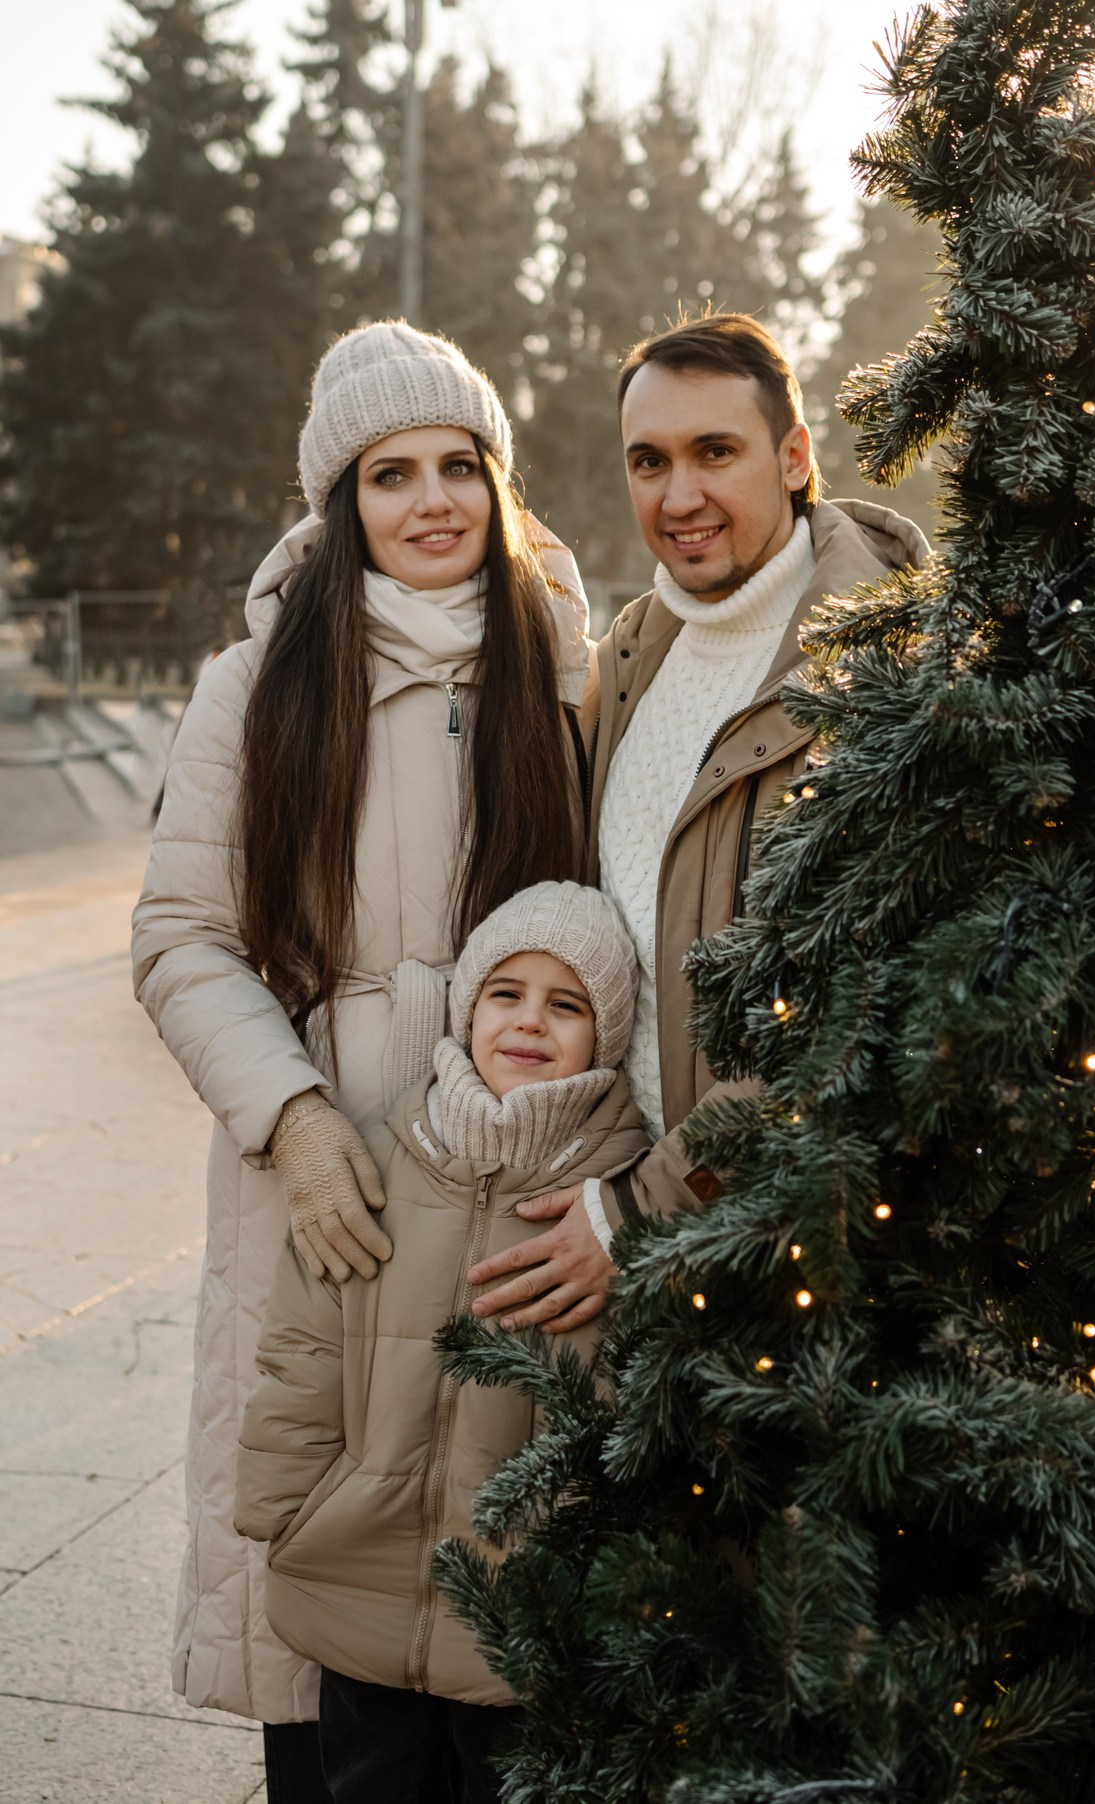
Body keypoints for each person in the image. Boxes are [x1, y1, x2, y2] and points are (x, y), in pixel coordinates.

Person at [131, 321, 590, 1801]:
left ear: (499, 482)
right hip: (330, 1176)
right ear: (341, 503)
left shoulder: (567, 664)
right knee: (328, 1577)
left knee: (504, 1572)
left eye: (460, 465)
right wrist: (294, 1117)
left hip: (518, 1168)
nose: (432, 500)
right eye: (391, 474)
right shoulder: (256, 683)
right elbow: (183, 938)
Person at [465, 310, 931, 1328]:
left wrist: (649, 1207)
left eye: (714, 452)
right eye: (650, 461)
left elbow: (852, 1012)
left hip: (800, 1260)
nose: (678, 497)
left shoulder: (880, 670)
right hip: (633, 1249)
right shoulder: (636, 651)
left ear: (794, 456)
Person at [233, 882, 647, 1803]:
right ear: (467, 1010)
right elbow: (303, 1351)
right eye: (505, 993)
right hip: (358, 1578)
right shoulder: (385, 1156)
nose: (529, 1020)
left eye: (566, 1004)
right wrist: (284, 1507)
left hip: (526, 1622)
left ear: (608, 1035)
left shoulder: (614, 1196)